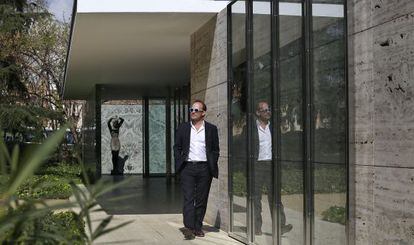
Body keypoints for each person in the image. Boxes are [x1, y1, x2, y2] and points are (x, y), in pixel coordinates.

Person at [173, 100, 219, 239]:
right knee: (188, 197)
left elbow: (215, 149)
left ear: (203, 113)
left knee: (201, 199)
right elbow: (177, 147)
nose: (192, 112)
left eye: (196, 110)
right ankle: (189, 224)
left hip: (205, 168)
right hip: (187, 168)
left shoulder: (211, 129)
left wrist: (212, 162)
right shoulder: (183, 128)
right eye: (191, 110)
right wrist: (180, 160)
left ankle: (197, 227)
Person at [250, 101, 292, 235]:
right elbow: (244, 149)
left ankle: (280, 226)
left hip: (271, 166)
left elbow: (279, 147)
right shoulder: (250, 129)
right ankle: (256, 227)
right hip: (257, 166)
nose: (268, 112)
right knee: (256, 199)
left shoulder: (273, 128)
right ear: (258, 112)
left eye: (269, 109)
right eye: (265, 110)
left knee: (275, 198)